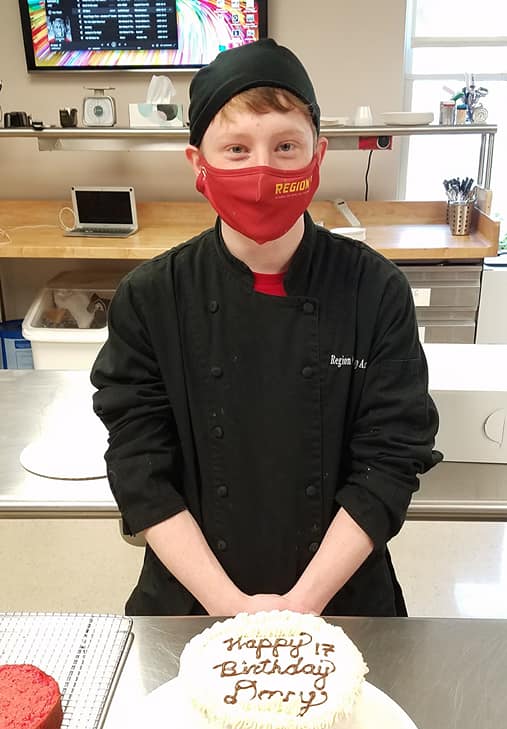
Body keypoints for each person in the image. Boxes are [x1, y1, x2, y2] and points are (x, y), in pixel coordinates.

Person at [90, 38, 442, 618]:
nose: (263, 170)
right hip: (191, 598)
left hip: (343, 598)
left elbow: (390, 459)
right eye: (235, 148)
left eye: (286, 146)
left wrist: (300, 607)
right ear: (196, 163)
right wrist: (227, 606)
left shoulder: (375, 291)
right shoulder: (151, 296)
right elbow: (140, 466)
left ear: (318, 156)